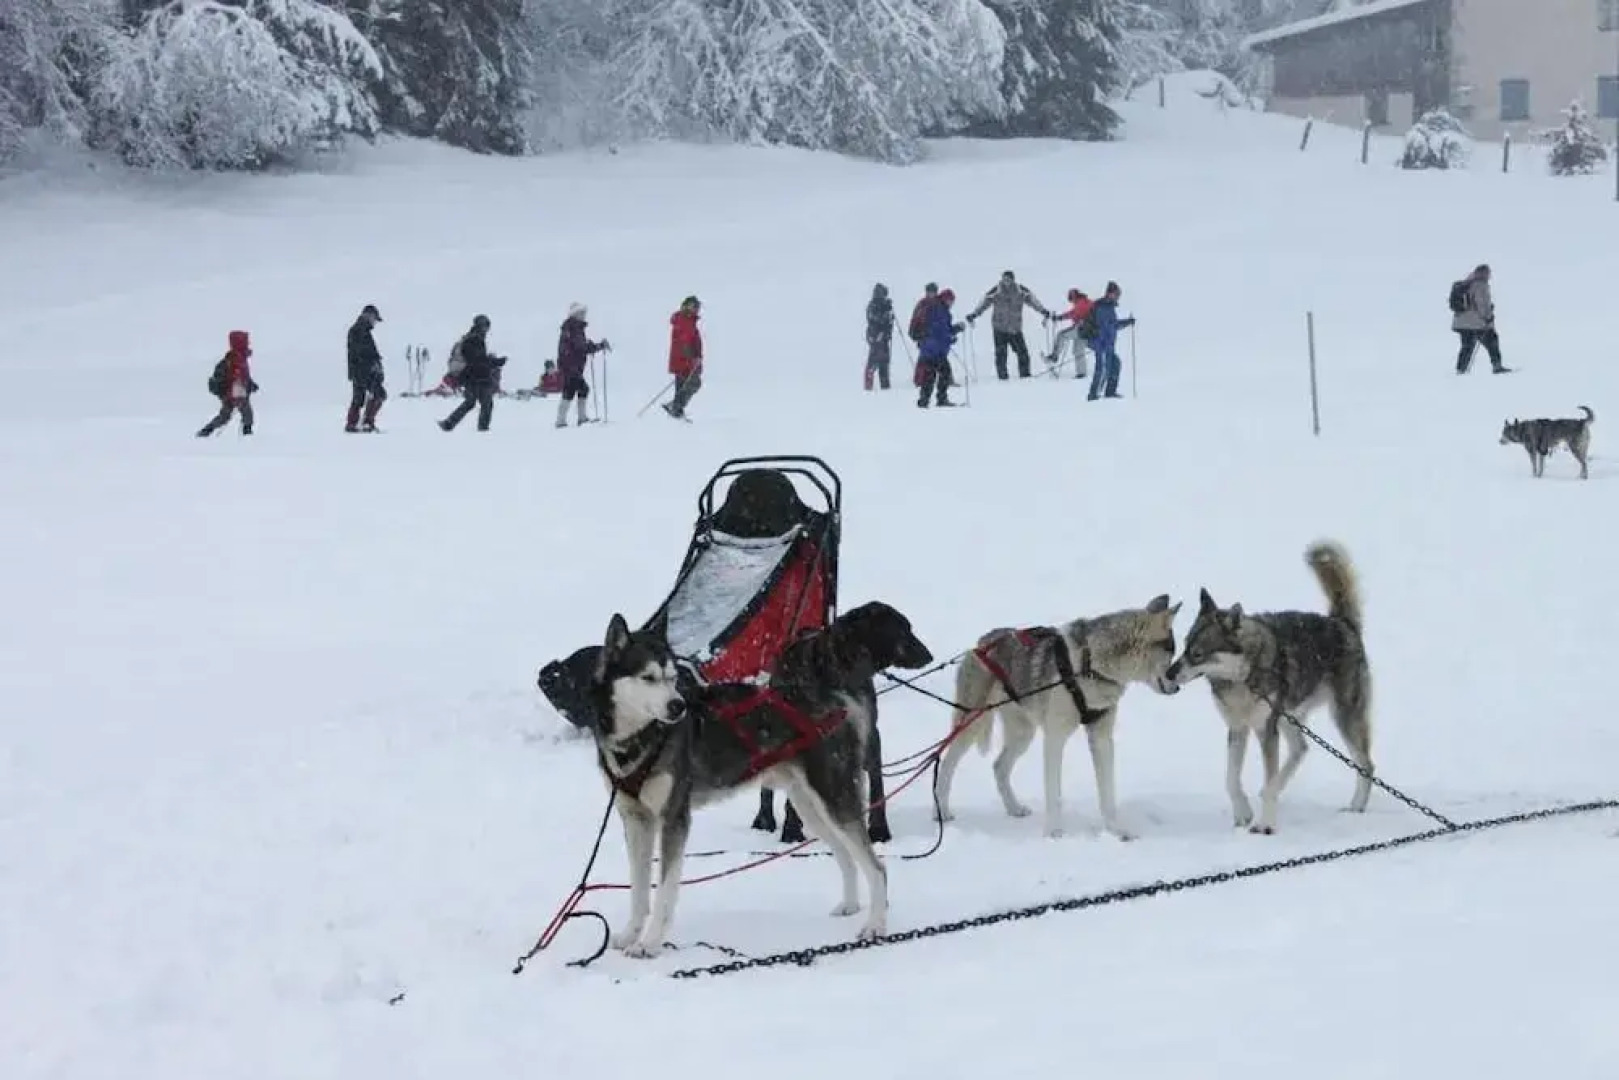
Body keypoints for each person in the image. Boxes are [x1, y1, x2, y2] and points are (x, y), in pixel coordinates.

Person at [966, 269, 1051, 380]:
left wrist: (1043, 311)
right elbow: (984, 302)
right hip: (999, 327)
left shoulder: (1021, 290)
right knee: (1001, 354)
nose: (1006, 281)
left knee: (1022, 353)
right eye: (1004, 279)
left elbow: (1033, 301)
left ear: (1012, 279)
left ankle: (1025, 375)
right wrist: (974, 314)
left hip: (1015, 328)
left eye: (1008, 279)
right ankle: (1002, 377)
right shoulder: (996, 290)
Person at [438, 315, 505, 432]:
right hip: (475, 377)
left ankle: (449, 423)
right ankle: (482, 430)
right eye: (485, 326)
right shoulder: (473, 340)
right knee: (485, 403)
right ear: (480, 325)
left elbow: (478, 359)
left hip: (474, 376)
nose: (487, 329)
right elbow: (476, 360)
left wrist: (490, 362)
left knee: (472, 402)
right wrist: (494, 362)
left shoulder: (475, 338)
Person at [555, 302, 610, 428]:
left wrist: (590, 346)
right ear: (575, 314)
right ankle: (570, 419)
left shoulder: (573, 327)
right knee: (578, 389)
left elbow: (579, 346)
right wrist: (597, 346)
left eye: (584, 313)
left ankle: (568, 419)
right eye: (581, 313)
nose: (584, 315)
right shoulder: (573, 327)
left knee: (574, 390)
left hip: (570, 366)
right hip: (570, 366)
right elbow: (580, 347)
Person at [196, 330, 257, 437]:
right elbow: (238, 377)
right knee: (246, 413)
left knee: (225, 416)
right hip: (236, 392)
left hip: (233, 392)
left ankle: (207, 430)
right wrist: (243, 388)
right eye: (246, 341)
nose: (248, 343)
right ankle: (247, 434)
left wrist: (250, 384)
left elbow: (243, 376)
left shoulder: (238, 357)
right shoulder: (236, 358)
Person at [1451, 263, 1506, 374]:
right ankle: (1497, 366)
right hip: (1477, 322)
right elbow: (1482, 303)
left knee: (1467, 346)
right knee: (1492, 341)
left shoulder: (1465, 284)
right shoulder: (1481, 285)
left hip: (1461, 322)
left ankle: (1461, 370)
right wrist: (1488, 317)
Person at [1085, 281, 1135, 402]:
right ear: (1110, 293)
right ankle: (1093, 394)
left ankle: (1110, 391)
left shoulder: (1110, 307)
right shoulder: (1102, 307)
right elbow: (1104, 328)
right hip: (1102, 345)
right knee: (1101, 369)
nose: (1118, 297)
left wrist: (1127, 322)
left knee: (1115, 364)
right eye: (1117, 294)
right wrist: (1102, 344)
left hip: (1109, 345)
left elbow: (1113, 325)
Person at [916, 288, 963, 408]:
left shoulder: (942, 311)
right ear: (945, 299)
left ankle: (931, 400)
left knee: (941, 374)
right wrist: (950, 337)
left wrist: (955, 330)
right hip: (932, 351)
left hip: (934, 350)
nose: (951, 303)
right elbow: (939, 332)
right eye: (950, 301)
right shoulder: (938, 310)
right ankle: (928, 401)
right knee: (932, 377)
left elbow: (944, 331)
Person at [345, 303, 385, 432]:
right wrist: (373, 366)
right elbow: (363, 352)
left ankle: (352, 424)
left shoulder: (359, 330)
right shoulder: (359, 330)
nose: (375, 322)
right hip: (364, 372)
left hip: (359, 371)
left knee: (359, 398)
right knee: (379, 394)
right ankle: (367, 422)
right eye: (375, 319)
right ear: (369, 316)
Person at [664, 295, 703, 420]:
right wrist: (691, 359)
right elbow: (683, 341)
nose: (696, 309)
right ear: (685, 306)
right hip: (683, 360)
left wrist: (697, 357)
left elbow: (693, 341)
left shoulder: (689, 321)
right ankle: (675, 407)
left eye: (697, 306)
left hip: (686, 360)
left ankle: (677, 410)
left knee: (684, 386)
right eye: (693, 306)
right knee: (693, 383)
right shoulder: (683, 320)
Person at [1046, 289, 1093, 379]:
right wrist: (1060, 317)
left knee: (1061, 335)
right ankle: (1081, 373)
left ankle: (1054, 356)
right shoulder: (1084, 301)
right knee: (1078, 350)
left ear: (1074, 296)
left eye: (1071, 298)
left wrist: (1060, 318)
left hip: (1082, 328)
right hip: (1087, 330)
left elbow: (1073, 313)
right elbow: (1073, 312)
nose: (1071, 301)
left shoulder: (1081, 303)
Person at [864, 283, 894, 390]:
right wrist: (885, 316)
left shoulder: (884, 305)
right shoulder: (873, 305)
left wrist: (889, 314)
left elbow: (888, 322)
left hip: (883, 337)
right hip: (875, 336)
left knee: (884, 362)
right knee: (874, 360)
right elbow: (873, 318)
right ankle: (869, 385)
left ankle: (885, 385)